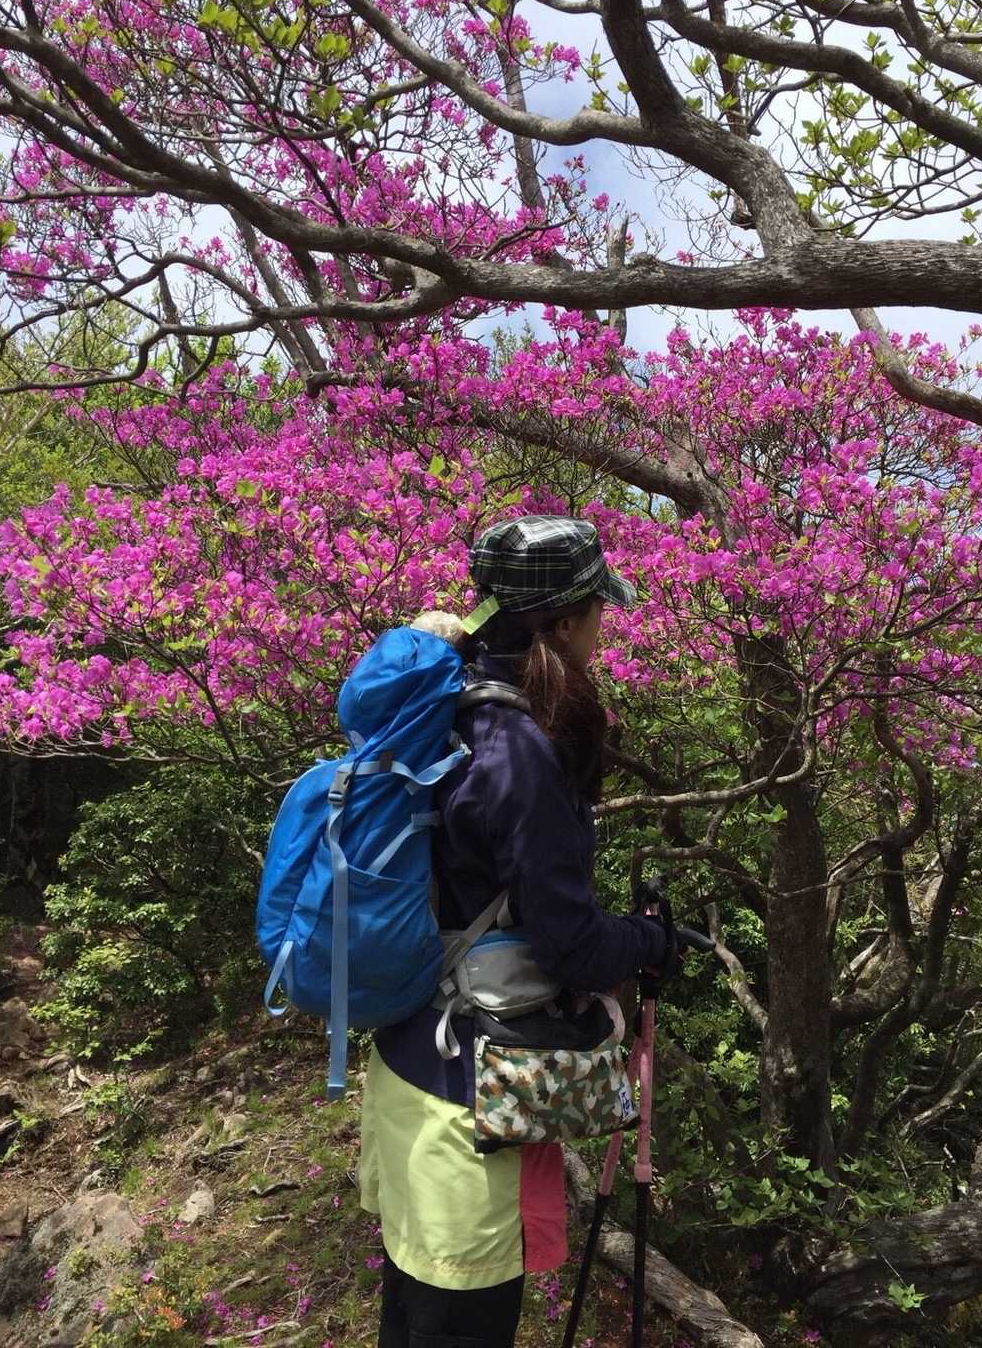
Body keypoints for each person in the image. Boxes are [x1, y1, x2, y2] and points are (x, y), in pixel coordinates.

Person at [360, 515, 675, 1348]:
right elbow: (570, 945)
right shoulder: (518, 749)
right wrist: (654, 941)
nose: (603, 628)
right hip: (467, 1104)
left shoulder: (442, 706)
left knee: (410, 1319)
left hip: (407, 1062)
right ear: (564, 622)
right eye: (597, 611)